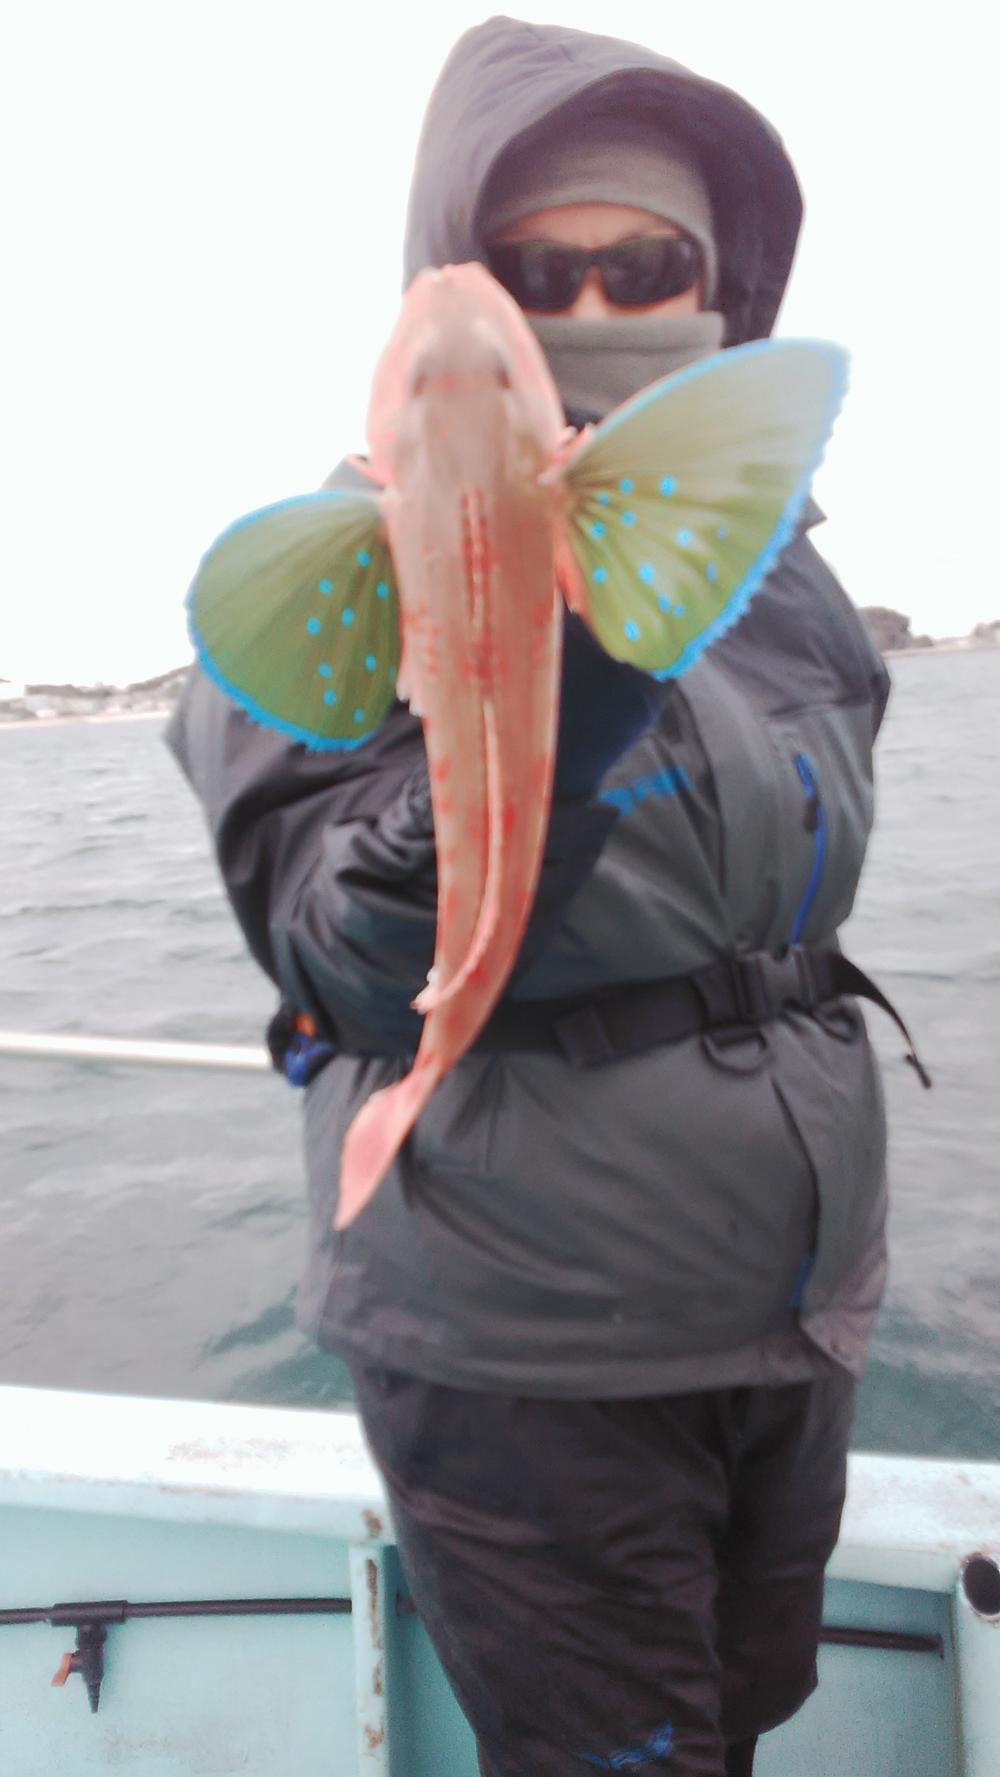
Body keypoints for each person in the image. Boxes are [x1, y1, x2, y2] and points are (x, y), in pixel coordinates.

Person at [168, 18, 902, 1776]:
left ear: (722, 292)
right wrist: (540, 718)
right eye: (532, 269)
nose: (588, 306)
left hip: (788, 1308)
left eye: (643, 268)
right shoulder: (346, 569)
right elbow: (337, 942)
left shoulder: (777, 576)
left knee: (756, 1702)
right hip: (529, 1348)